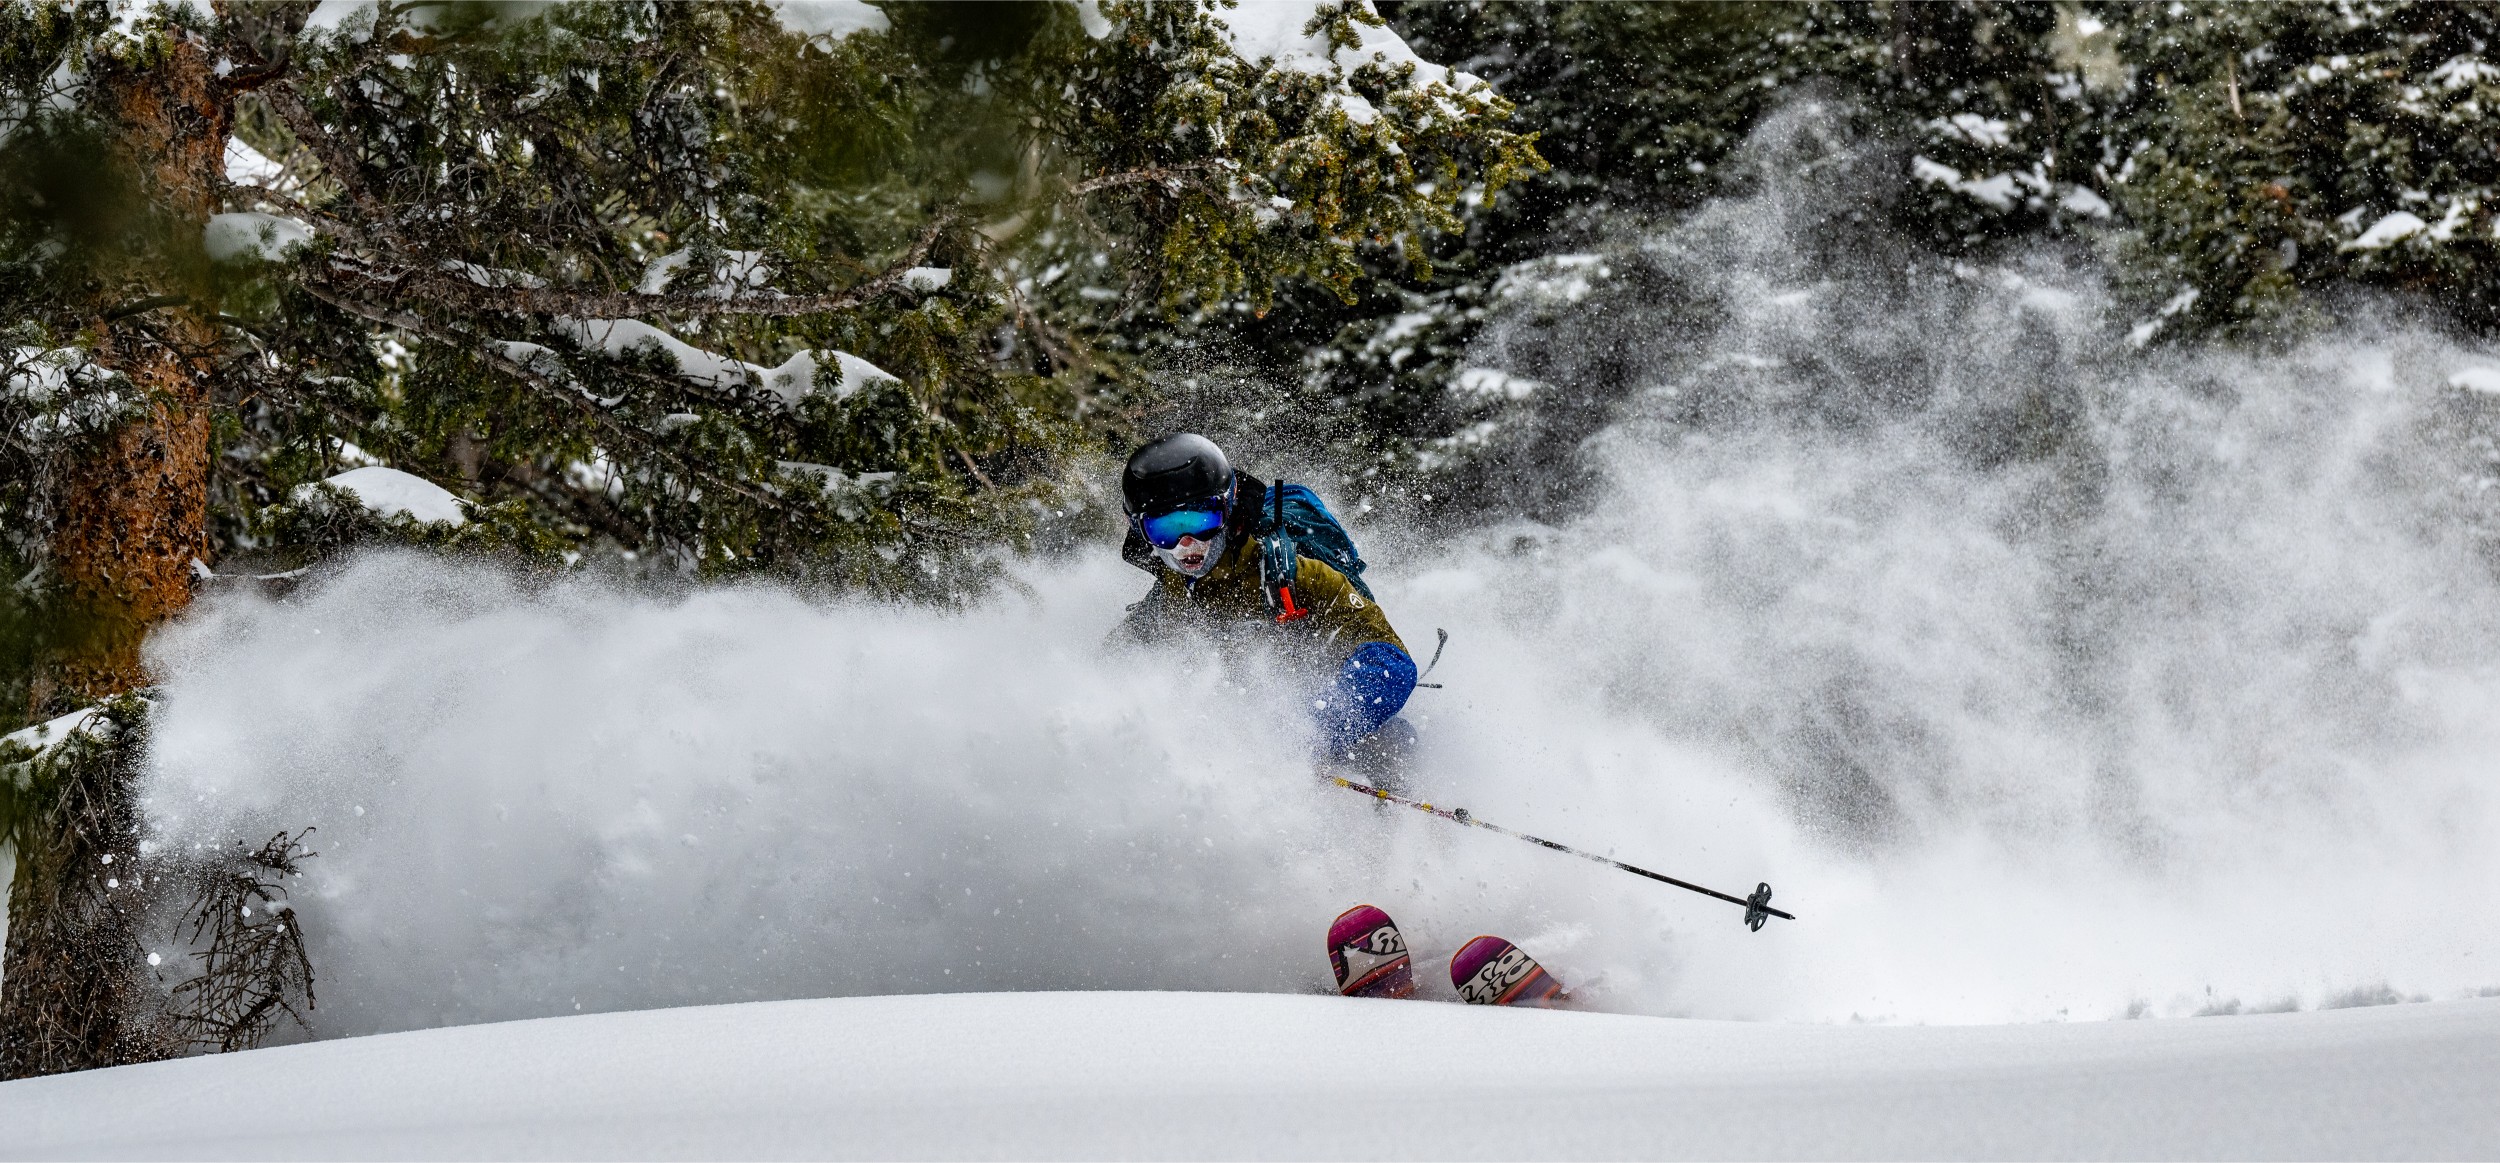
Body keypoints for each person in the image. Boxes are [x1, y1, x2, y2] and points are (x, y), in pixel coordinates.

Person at [1113, 433, 1418, 766]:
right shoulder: (1168, 597)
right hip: (1228, 742)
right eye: (1165, 529)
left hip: (1321, 715)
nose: (1186, 544)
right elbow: (1107, 672)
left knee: (1396, 744)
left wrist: (1310, 729)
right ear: (1140, 531)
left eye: (1202, 520)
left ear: (1228, 507)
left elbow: (1392, 663)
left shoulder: (1295, 572)